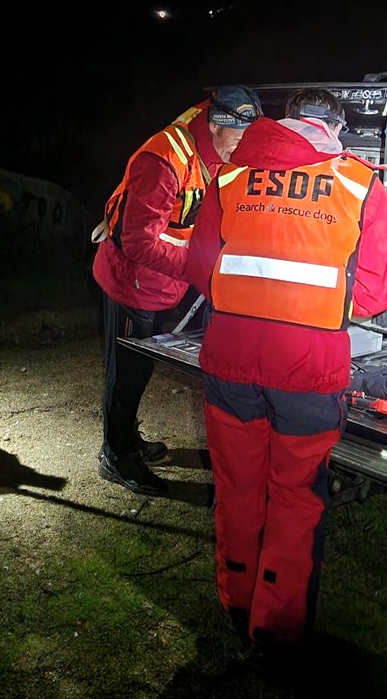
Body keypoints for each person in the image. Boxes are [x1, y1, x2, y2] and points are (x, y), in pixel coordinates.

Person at [185, 87, 387, 661]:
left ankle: (237, 605)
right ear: (336, 128)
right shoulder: (357, 183)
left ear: (286, 122)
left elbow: (201, 267)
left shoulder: (231, 178)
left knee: (237, 488)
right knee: (296, 497)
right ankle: (277, 631)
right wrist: (321, 305)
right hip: (307, 371)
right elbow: (383, 289)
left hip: (231, 362)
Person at [91, 85, 261, 496]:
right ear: (215, 126)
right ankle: (116, 455)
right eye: (238, 138)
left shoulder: (217, 149)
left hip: (165, 282)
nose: (242, 148)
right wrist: (199, 268)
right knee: (126, 374)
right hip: (131, 281)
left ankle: (127, 438)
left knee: (142, 368)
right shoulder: (162, 160)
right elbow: (137, 241)